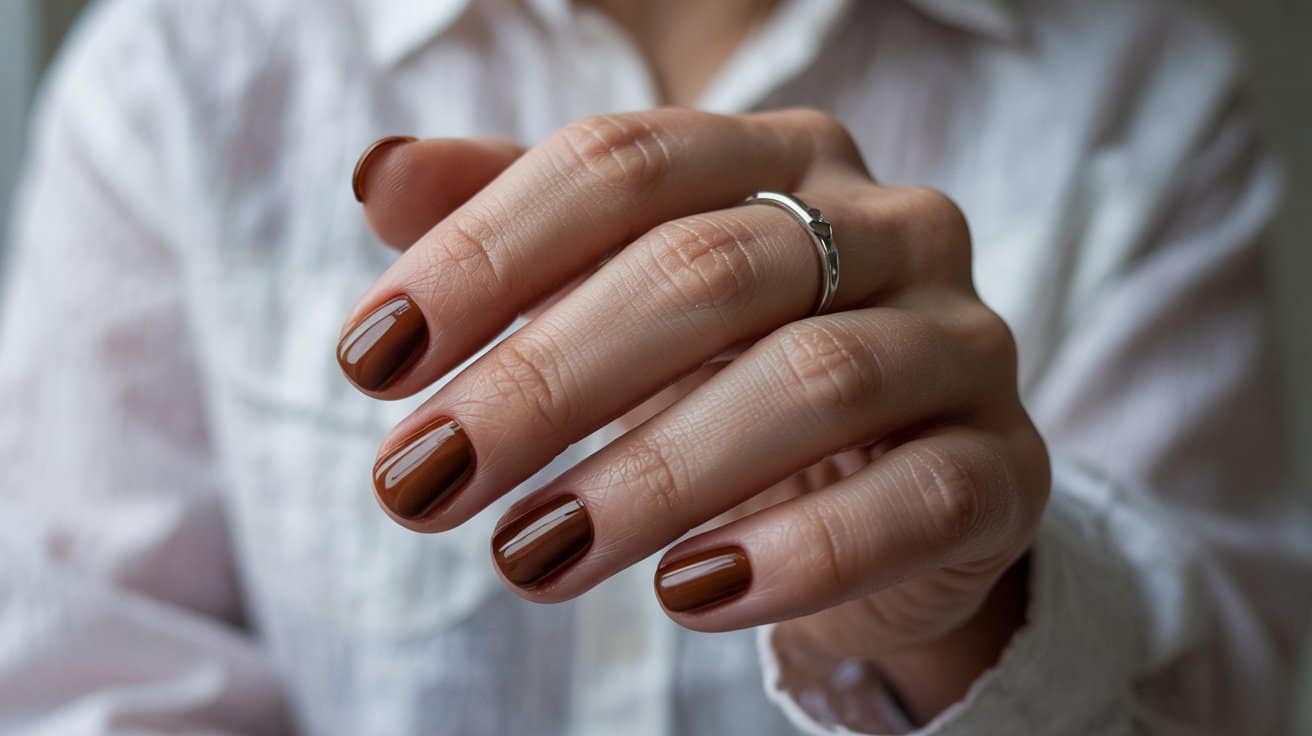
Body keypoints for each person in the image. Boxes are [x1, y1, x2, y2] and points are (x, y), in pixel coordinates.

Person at [0, 0, 1307, 733]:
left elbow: (1226, 706)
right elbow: (83, 684)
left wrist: (964, 614)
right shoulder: (183, 63)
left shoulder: (1135, 91)